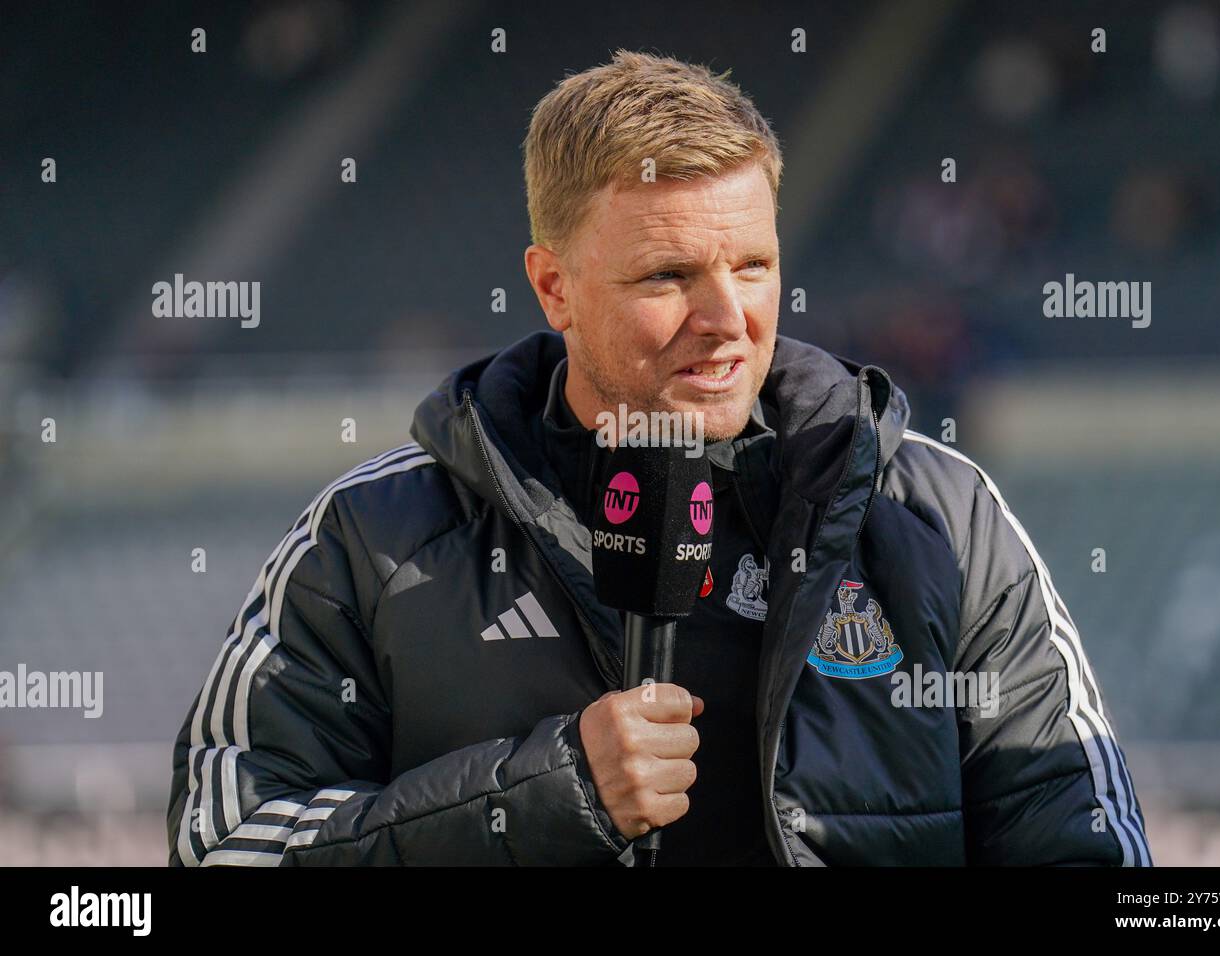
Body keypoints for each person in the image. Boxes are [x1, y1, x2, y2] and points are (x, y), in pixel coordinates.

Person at [166, 50, 1151, 867]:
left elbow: (1085, 846)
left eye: (753, 265)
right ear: (554, 288)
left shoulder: (940, 513)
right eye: (668, 275)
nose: (726, 320)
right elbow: (221, 848)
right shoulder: (372, 537)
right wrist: (541, 796)